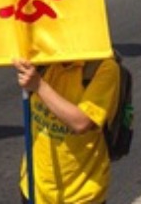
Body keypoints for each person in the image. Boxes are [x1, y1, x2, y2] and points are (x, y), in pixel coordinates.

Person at [13, 56, 121, 204]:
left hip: (80, 195)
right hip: (34, 189)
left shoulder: (104, 67)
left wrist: (39, 84)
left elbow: (81, 122)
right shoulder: (43, 59)